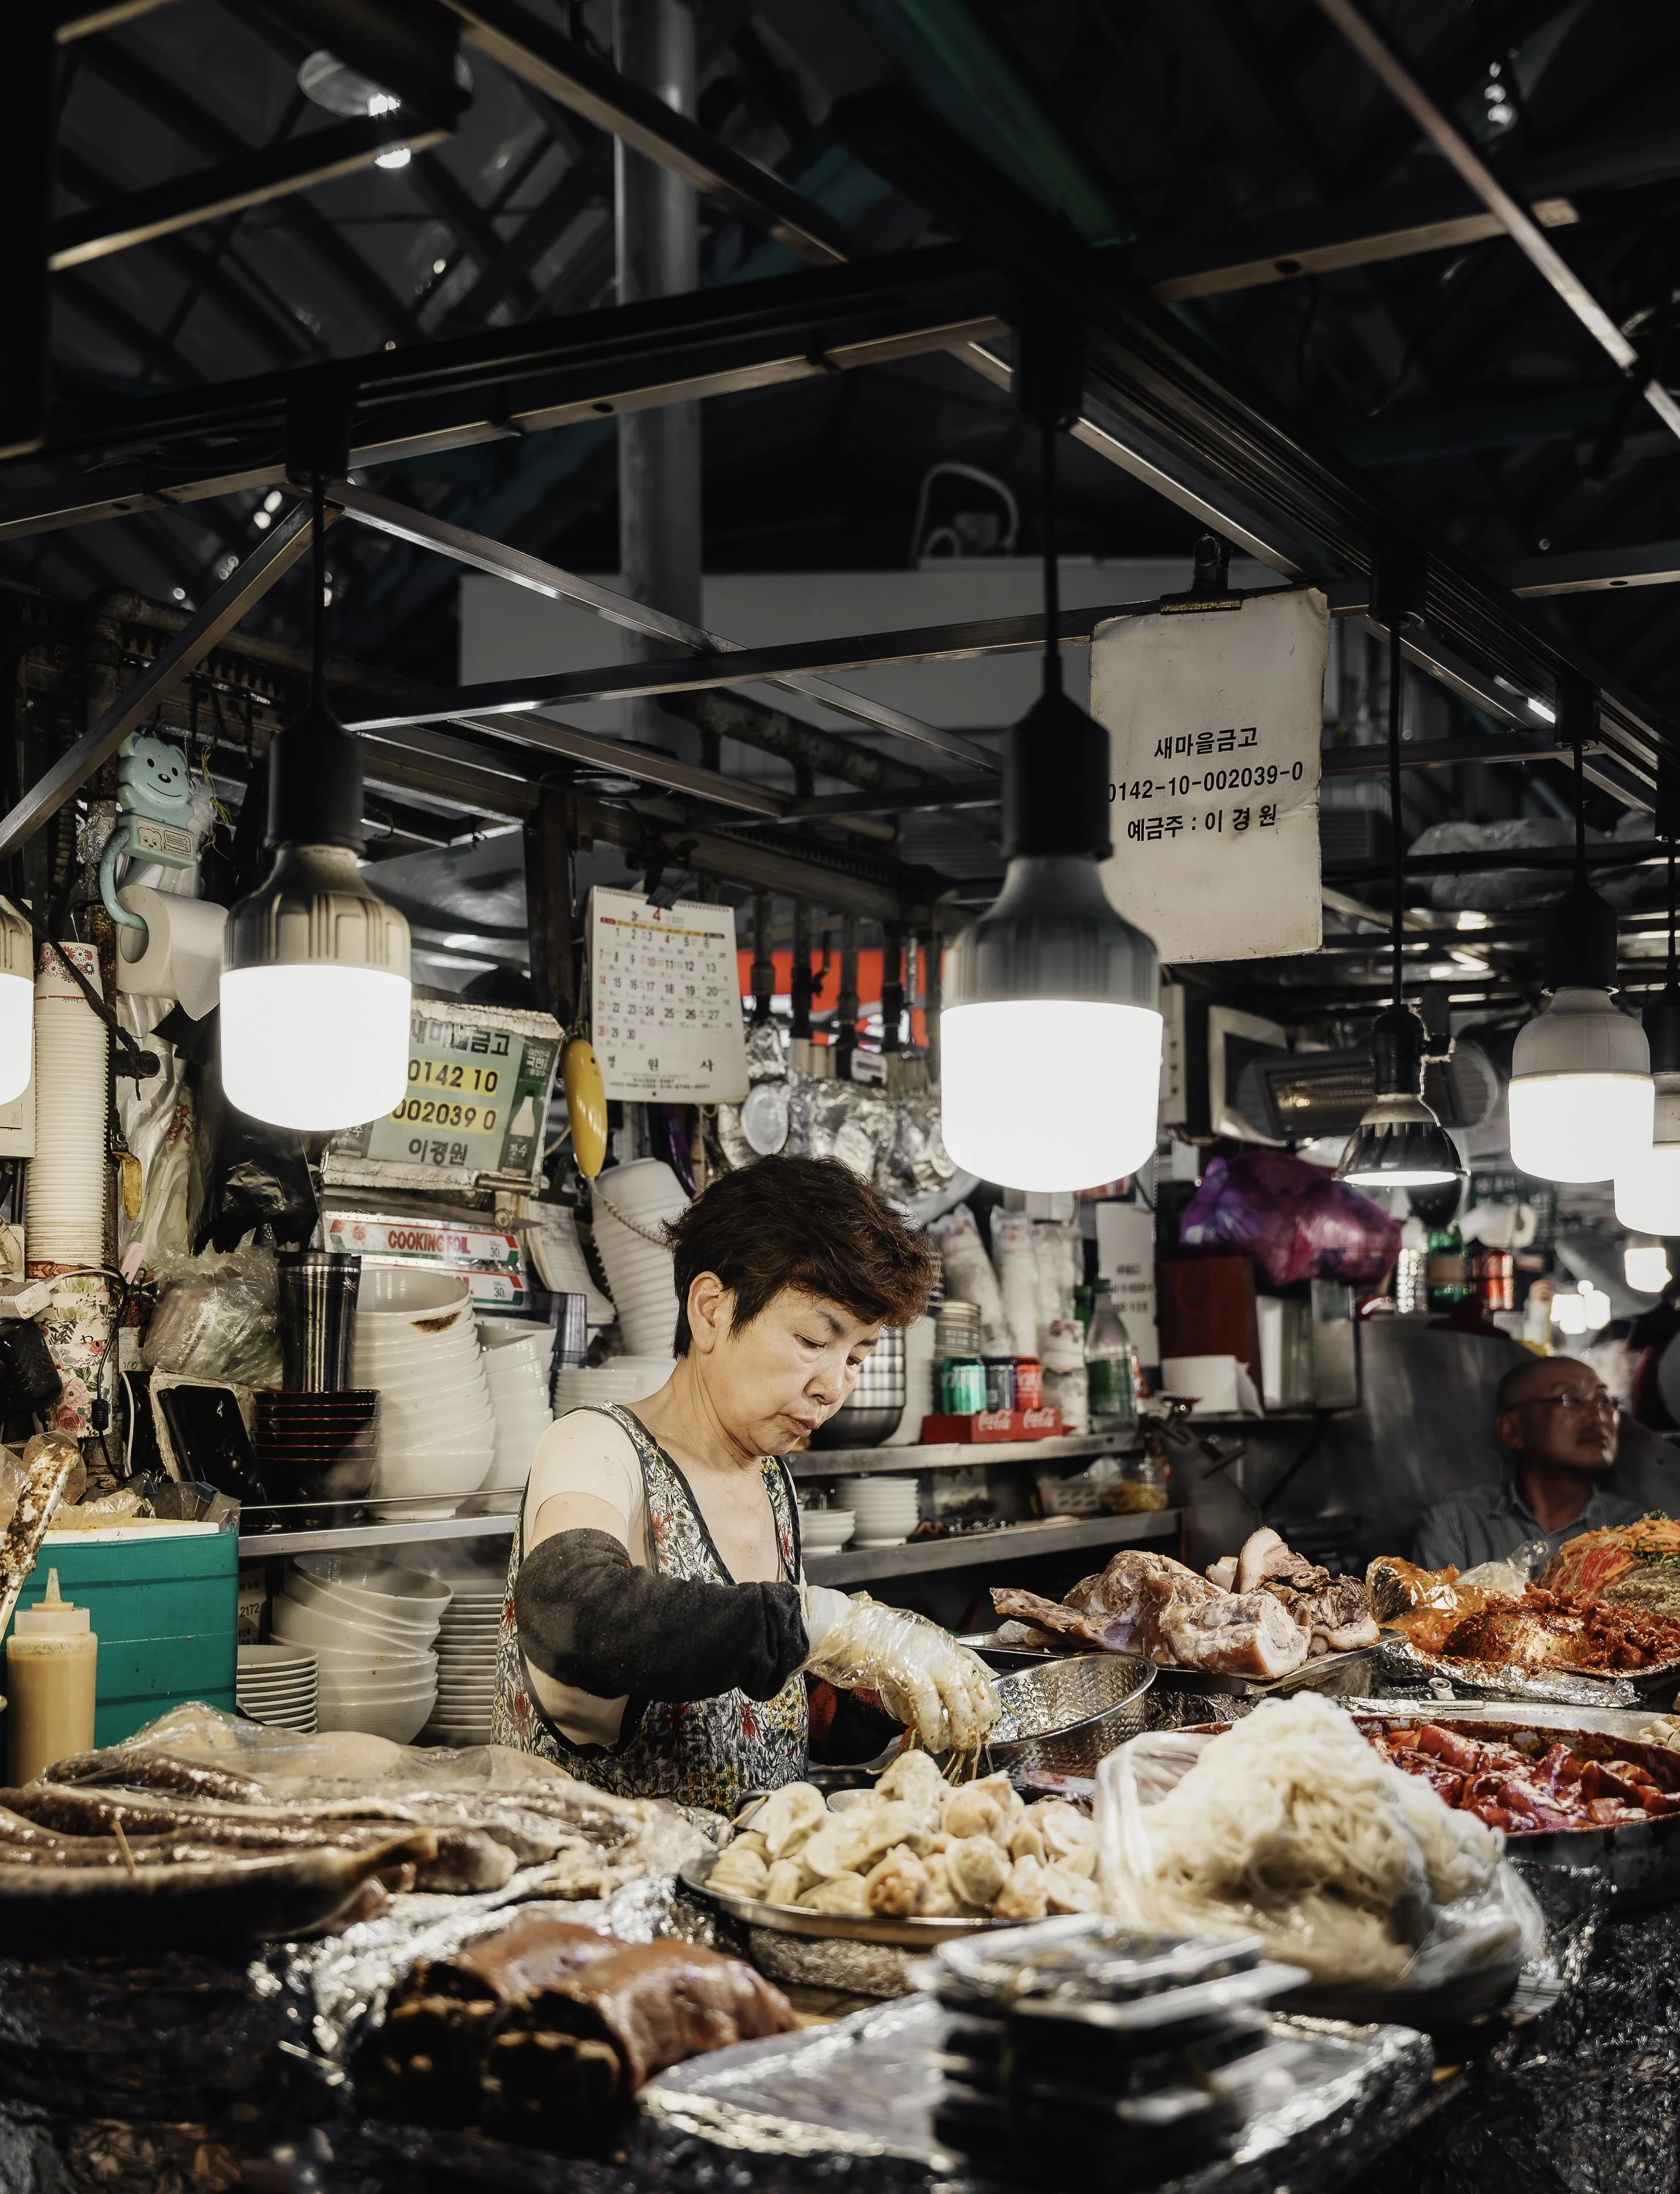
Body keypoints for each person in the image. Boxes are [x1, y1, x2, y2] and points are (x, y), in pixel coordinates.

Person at [491, 1153, 998, 1813]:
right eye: (813, 1341)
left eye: (856, 1357)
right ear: (711, 1310)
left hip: (748, 1870)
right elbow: (571, 1612)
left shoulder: (769, 1477)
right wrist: (821, 1623)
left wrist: (875, 1696)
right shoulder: (594, 1446)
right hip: (605, 1871)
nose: (832, 1386)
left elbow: (755, 1706)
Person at [1413, 1352, 1643, 1572]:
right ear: (1512, 1429)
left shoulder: (1637, 1530)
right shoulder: (1456, 1523)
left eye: (1603, 1400)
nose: (1599, 1416)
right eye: (1571, 1399)